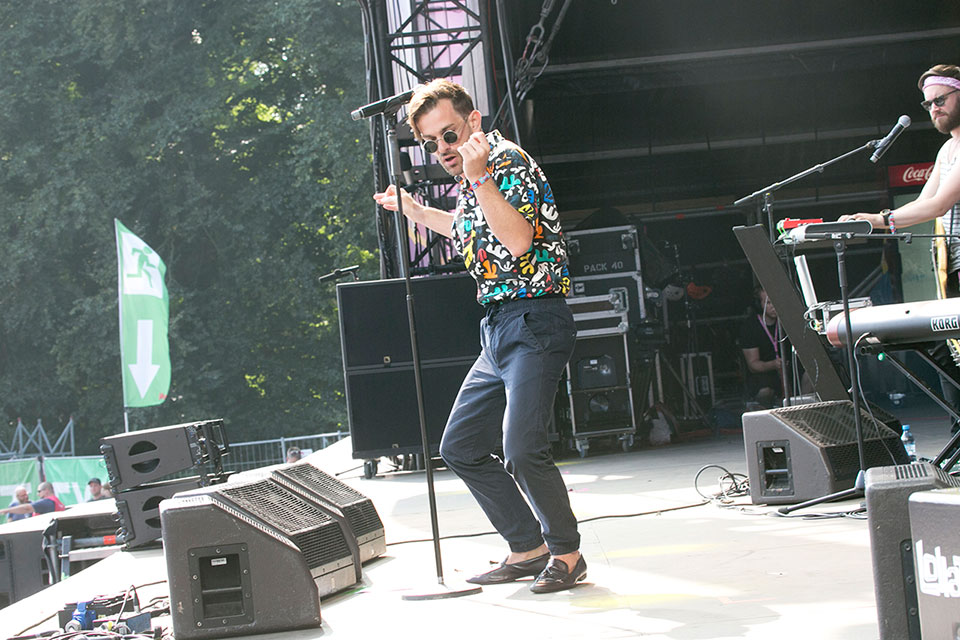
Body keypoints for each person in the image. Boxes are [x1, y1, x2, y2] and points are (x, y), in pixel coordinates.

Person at [372, 79, 585, 593]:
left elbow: (514, 240)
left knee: (521, 446)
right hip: (500, 327)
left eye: (448, 134)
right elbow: (476, 231)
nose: (443, 150)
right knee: (461, 445)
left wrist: (480, 176)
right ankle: (527, 548)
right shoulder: (479, 174)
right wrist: (419, 213)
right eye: (430, 143)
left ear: (473, 120)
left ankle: (568, 554)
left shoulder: (503, 163)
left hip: (534, 318)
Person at [840, 63, 960, 430]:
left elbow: (938, 205)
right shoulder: (947, 151)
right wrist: (877, 221)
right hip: (952, 268)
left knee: (944, 344)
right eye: (928, 105)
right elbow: (921, 205)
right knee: (943, 346)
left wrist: (879, 220)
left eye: (940, 100)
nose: (934, 109)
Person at [739, 287, 785, 408]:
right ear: (759, 305)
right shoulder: (750, 327)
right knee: (765, 391)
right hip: (764, 375)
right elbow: (753, 365)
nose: (773, 306)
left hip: (789, 372)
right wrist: (774, 364)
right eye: (768, 302)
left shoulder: (786, 322)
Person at [0, 482, 65, 517]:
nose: (38, 494)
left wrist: (6, 510)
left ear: (46, 491)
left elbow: (26, 508)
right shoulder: (56, 501)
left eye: (39, 491)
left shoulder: (47, 502)